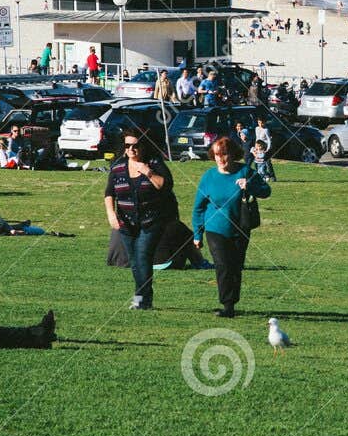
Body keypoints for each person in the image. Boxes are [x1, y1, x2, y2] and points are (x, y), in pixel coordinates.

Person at [192, 135, 270, 317]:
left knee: (235, 266)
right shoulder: (209, 177)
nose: (221, 159)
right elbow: (198, 207)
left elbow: (266, 191)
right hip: (215, 229)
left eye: (225, 154)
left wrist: (249, 186)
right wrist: (197, 233)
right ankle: (227, 304)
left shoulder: (245, 172)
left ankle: (232, 303)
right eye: (217, 154)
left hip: (241, 227)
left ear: (233, 154)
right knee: (223, 265)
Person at [105, 129, 176, 310]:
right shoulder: (118, 166)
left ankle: (142, 299)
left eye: (135, 145)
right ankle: (143, 296)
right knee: (134, 261)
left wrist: (148, 172)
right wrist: (111, 214)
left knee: (143, 257)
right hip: (126, 222)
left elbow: (165, 185)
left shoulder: (154, 163)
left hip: (151, 221)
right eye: (127, 145)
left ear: (143, 146)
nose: (131, 149)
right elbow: (109, 192)